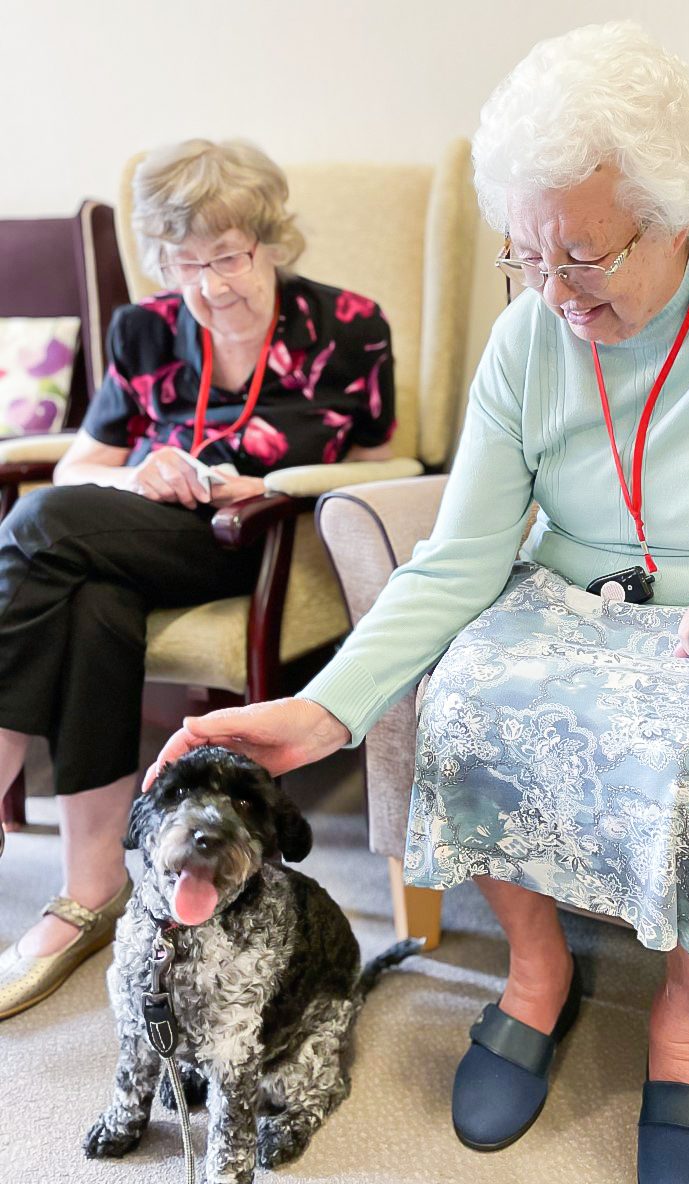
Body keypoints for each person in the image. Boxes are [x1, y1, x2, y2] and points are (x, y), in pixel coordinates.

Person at [150, 24, 689, 1184]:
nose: (554, 294)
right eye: (528, 258)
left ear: (677, 218)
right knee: (470, 694)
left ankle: (687, 1012)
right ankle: (537, 968)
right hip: (573, 595)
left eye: (584, 256)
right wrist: (323, 709)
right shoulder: (531, 327)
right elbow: (461, 554)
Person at [0, 138, 395, 1020]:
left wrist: (278, 482)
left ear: (271, 240)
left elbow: (389, 460)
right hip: (129, 536)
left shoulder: (349, 326)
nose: (212, 286)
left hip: (255, 540)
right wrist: (142, 471)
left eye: (229, 257)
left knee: (29, 527)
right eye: (187, 266)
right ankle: (90, 889)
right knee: (90, 596)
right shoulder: (141, 329)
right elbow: (78, 466)